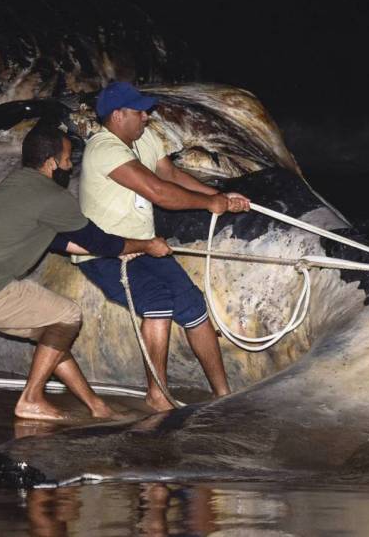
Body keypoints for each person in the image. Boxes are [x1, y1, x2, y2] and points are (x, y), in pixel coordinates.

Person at [0, 122, 172, 422]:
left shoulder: (20, 184)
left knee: (52, 334)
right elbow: (100, 242)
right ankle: (31, 399)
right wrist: (147, 244)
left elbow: (59, 239)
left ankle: (96, 406)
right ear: (51, 163)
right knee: (67, 316)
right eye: (66, 159)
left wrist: (131, 247)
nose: (69, 165)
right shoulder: (53, 197)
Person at [76, 81, 251, 411]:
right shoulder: (103, 148)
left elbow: (169, 174)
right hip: (107, 251)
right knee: (157, 301)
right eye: (139, 110)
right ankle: (157, 394)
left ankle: (223, 394)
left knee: (194, 306)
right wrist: (208, 203)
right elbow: (158, 192)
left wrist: (221, 197)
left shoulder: (145, 138)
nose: (147, 115)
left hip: (145, 247)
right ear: (117, 115)